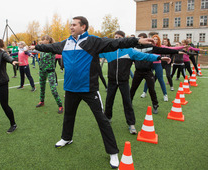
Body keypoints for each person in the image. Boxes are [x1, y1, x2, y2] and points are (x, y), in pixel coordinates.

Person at [30, 16, 155, 169]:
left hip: (89, 89)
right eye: (70, 25)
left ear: (83, 27)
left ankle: (113, 152)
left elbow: (116, 42)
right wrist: (35, 46)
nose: (71, 27)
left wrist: (136, 41)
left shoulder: (93, 42)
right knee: (68, 116)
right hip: (70, 89)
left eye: (74, 25)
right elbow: (50, 47)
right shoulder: (66, 42)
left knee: (102, 120)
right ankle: (66, 138)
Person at [99, 31, 170, 132]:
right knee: (109, 101)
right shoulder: (108, 51)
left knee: (127, 102)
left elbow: (145, 56)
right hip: (112, 81)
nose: (117, 39)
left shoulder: (130, 51)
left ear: (124, 40)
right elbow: (95, 51)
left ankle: (131, 124)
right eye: (115, 37)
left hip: (124, 82)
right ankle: (107, 118)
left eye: (119, 37)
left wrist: (159, 57)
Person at [133, 33, 183, 112]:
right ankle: (128, 103)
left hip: (148, 71)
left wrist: (176, 52)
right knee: (132, 89)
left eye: (141, 38)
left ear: (146, 39)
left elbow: (163, 50)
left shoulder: (150, 47)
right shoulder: (134, 48)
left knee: (152, 89)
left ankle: (155, 105)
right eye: (138, 38)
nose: (138, 40)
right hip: (138, 72)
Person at [35, 35, 63, 114]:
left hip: (50, 71)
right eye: (42, 39)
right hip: (42, 71)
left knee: (53, 89)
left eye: (44, 39)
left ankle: (60, 105)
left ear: (48, 41)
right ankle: (42, 101)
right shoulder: (41, 49)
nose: (43, 41)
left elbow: (60, 50)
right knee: (42, 87)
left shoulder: (52, 48)